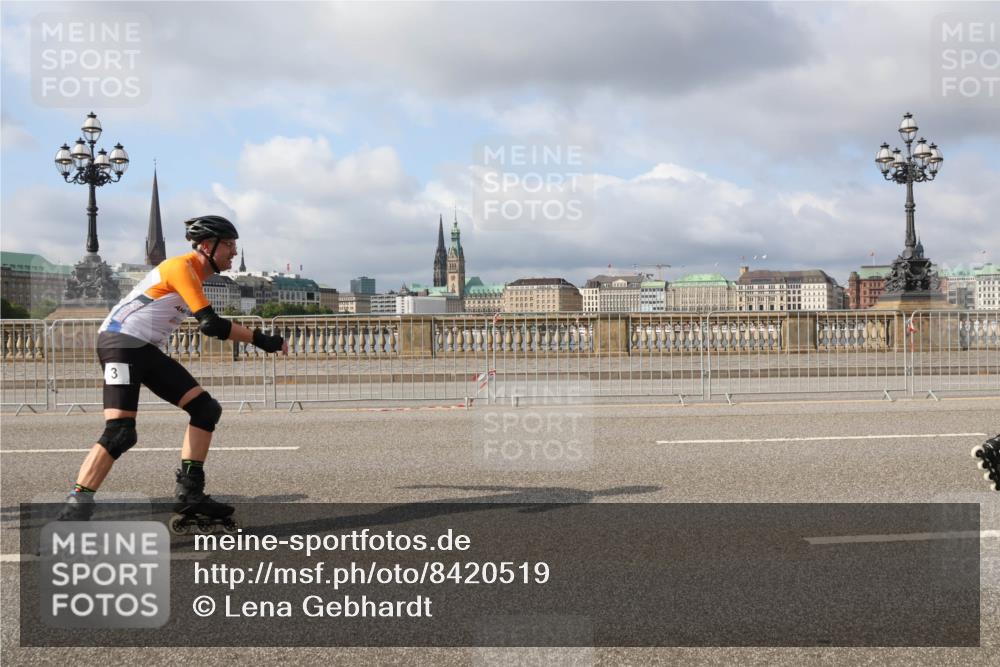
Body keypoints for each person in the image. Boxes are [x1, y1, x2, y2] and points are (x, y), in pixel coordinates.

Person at [57, 215, 287, 524]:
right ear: (207, 246)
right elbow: (211, 324)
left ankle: (190, 493)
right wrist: (264, 340)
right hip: (121, 343)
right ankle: (76, 508)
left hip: (145, 348)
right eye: (230, 245)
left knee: (205, 409)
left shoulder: (197, 274)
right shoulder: (180, 267)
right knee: (120, 432)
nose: (234, 252)